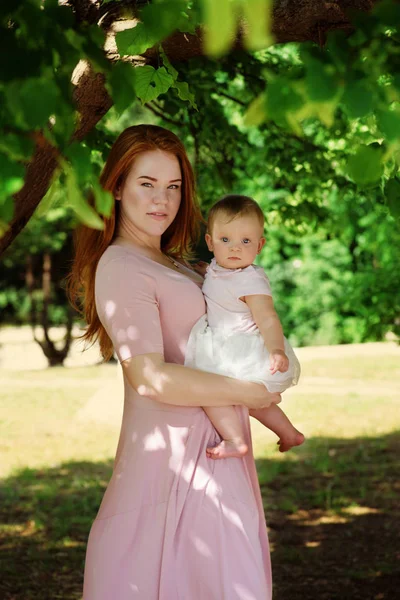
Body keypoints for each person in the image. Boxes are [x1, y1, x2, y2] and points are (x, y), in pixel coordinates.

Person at [67, 124, 282, 600]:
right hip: (172, 471)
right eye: (146, 184)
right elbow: (148, 377)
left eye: (174, 186)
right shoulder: (122, 265)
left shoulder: (178, 263)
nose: (161, 199)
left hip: (214, 459)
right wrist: (246, 393)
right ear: (118, 187)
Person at [185, 195, 305, 460]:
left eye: (246, 241)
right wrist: (207, 271)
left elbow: (268, 318)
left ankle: (234, 439)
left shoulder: (252, 281)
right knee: (253, 403)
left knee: (210, 392)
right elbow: (222, 284)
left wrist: (276, 350)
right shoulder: (219, 267)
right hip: (226, 343)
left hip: (238, 346)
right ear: (210, 242)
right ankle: (289, 433)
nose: (235, 248)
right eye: (225, 240)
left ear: (260, 245)